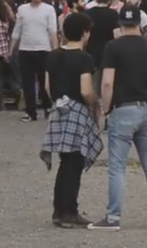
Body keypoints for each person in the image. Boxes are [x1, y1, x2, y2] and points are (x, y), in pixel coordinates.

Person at [89, 4, 147, 231]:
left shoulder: (113, 47)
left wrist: (106, 106)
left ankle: (113, 217)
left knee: (117, 167)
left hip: (123, 108)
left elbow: (107, 81)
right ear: (140, 24)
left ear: (121, 24)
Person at [42, 12, 103, 228]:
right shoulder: (85, 58)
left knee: (64, 162)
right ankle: (69, 211)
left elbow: (48, 87)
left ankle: (59, 210)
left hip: (59, 109)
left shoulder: (53, 55)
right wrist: (94, 102)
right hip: (76, 110)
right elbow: (86, 90)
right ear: (85, 33)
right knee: (74, 163)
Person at [11, 0, 59, 123]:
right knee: (27, 82)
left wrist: (55, 48)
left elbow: (52, 30)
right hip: (26, 49)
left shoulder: (49, 10)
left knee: (45, 81)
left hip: (44, 49)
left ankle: (48, 106)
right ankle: (30, 111)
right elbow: (17, 30)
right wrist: (11, 49)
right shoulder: (22, 9)